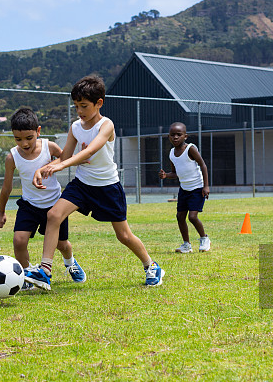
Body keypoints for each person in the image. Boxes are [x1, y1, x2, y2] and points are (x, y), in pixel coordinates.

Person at [23, 75, 164, 290]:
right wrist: (42, 169)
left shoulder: (106, 125)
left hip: (108, 188)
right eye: (76, 106)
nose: (79, 111)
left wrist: (61, 166)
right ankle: (45, 270)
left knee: (124, 236)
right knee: (53, 215)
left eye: (84, 106)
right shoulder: (75, 127)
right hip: (82, 185)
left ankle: (151, 266)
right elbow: (64, 156)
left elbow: (90, 150)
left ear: (99, 103)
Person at [0, 108, 86, 290]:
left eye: (29, 138)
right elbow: (6, 187)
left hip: (54, 206)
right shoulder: (12, 157)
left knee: (61, 244)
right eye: (18, 139)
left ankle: (70, 263)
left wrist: (52, 166)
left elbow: (64, 158)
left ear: (38, 131)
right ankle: (27, 276)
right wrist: (0, 211)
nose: (24, 143)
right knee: (19, 241)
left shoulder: (48, 147)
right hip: (29, 205)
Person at [158, 122, 211, 253]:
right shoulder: (171, 153)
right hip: (184, 189)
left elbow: (203, 165)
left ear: (185, 136)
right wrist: (166, 175)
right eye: (172, 135)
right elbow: (175, 173)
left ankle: (204, 238)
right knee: (180, 217)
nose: (175, 137)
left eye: (179, 134)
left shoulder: (190, 149)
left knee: (192, 217)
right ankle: (186, 245)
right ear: (168, 137)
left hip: (197, 188)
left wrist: (206, 186)